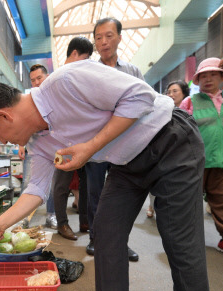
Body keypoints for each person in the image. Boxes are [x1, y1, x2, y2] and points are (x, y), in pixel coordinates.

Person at [0, 60, 211, 291]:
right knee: (105, 230)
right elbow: (35, 191)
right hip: (125, 161)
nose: (1, 141)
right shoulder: (38, 142)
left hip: (169, 138)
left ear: (4, 116)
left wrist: (90, 147)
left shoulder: (66, 81)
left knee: (179, 242)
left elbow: (141, 97)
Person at [86, 17, 140, 260]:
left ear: (119, 37)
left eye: (109, 36)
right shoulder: (89, 72)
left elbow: (142, 103)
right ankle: (96, 239)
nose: (104, 42)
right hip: (96, 144)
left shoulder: (132, 71)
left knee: (123, 194)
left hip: (126, 143)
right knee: (95, 192)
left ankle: (120, 242)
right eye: (98, 37)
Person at [180, 57, 223, 259]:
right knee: (187, 202)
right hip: (194, 162)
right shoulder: (190, 101)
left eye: (213, 74)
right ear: (198, 80)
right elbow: (179, 132)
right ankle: (184, 240)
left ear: (221, 76)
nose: (208, 79)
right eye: (203, 76)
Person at [53, 36, 92, 240]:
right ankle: (62, 224)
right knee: (61, 184)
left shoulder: (80, 76)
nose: (86, 64)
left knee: (87, 183)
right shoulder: (59, 77)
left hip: (86, 140)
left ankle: (85, 220)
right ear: (74, 53)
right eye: (84, 58)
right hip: (64, 141)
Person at [146, 80, 191, 218]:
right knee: (156, 181)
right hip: (162, 152)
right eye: (169, 92)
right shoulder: (161, 110)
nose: (171, 94)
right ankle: (152, 205)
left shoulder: (189, 112)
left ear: (184, 94)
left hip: (181, 154)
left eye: (175, 91)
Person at [19, 64, 57, 229]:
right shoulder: (29, 99)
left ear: (47, 77)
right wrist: (21, 144)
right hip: (33, 148)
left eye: (39, 78)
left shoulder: (57, 96)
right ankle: (22, 217)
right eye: (33, 80)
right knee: (28, 182)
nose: (36, 82)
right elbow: (22, 123)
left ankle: (51, 215)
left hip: (56, 149)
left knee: (53, 183)